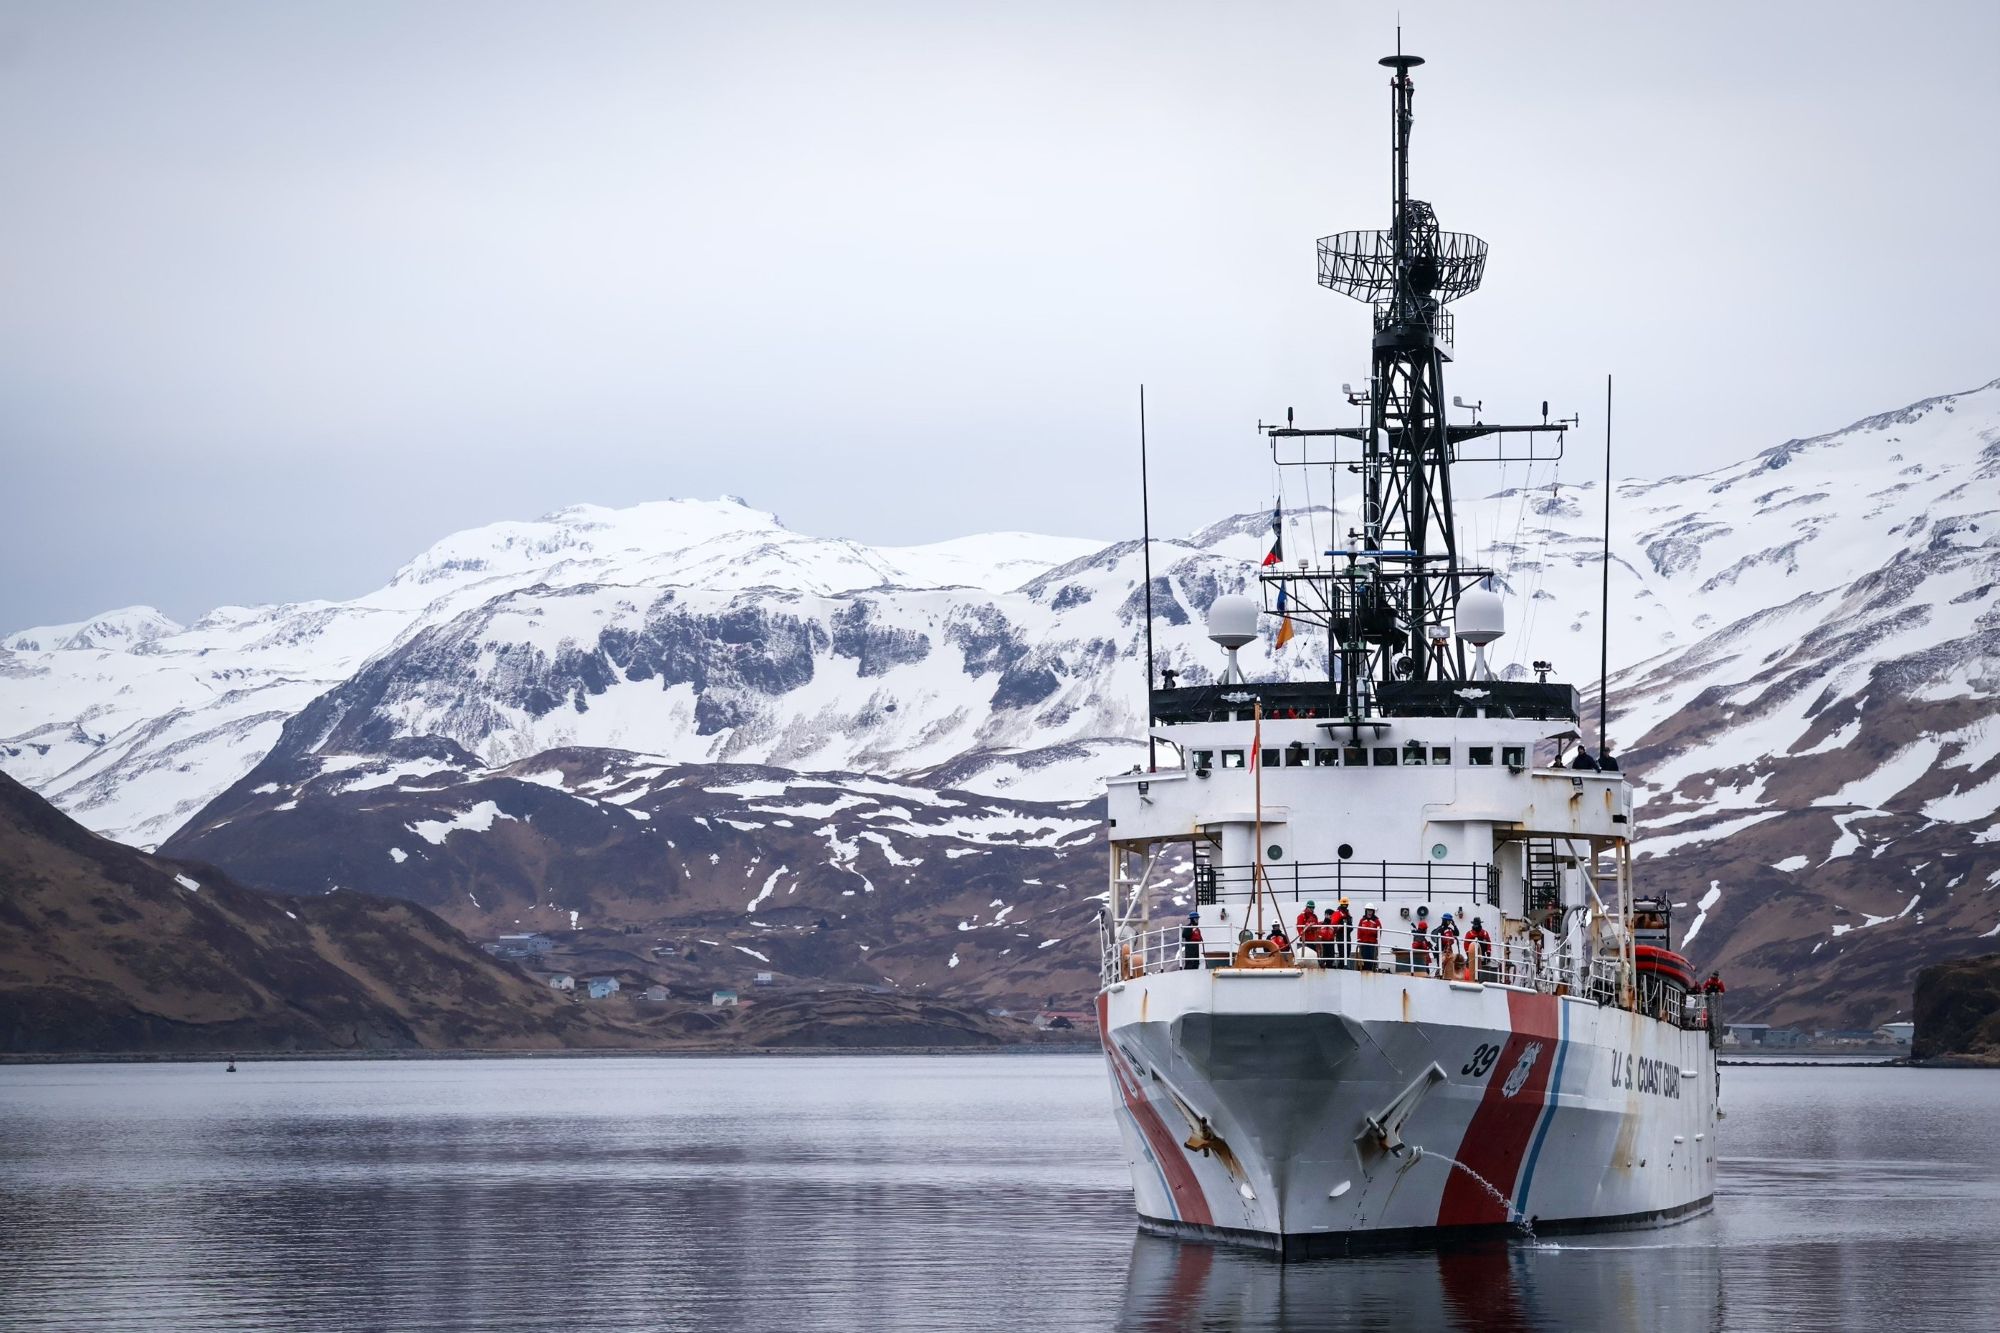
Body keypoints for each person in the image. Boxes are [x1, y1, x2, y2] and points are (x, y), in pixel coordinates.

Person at [1466, 917, 1494, 983]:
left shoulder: (1484, 933)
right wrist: (1468, 954)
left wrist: (1488, 953)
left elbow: (1488, 943)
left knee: (1482, 969)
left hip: (1482, 955)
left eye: (1477, 924)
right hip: (1472, 956)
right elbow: (1466, 944)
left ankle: (1481, 980)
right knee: (1471, 969)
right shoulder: (1469, 934)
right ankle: (1472, 979)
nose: (1476, 926)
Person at [1436, 913, 1461, 979]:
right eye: (1448, 921)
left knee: (1449, 964)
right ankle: (1439, 976)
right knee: (1441, 965)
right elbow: (1439, 940)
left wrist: (1454, 925)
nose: (1449, 922)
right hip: (1442, 950)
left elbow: (1457, 933)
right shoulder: (1440, 929)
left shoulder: (1450, 929)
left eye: (1450, 921)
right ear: (1445, 920)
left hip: (1449, 949)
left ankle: (1448, 976)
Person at [1356, 906, 1382, 971]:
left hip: (1372, 943)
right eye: (1368, 910)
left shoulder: (1376, 921)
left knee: (1372, 957)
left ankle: (1371, 970)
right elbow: (1359, 930)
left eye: (1371, 910)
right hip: (1363, 943)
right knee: (1364, 957)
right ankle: (1364, 970)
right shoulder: (1362, 920)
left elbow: (1379, 930)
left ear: (1373, 911)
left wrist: (1376, 937)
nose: (1369, 912)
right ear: (1366, 911)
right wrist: (1359, 940)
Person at [1330, 897, 1353, 968]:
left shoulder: (1347, 913)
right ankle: (1341, 967)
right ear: (1341, 904)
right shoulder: (1337, 913)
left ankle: (1343, 966)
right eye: (1344, 904)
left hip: (1347, 935)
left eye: (1346, 904)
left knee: (1347, 952)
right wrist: (1340, 927)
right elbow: (1333, 924)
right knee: (1342, 953)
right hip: (1341, 935)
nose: (1345, 906)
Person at [1410, 905, 1433, 976]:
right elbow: (1415, 947)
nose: (1426, 931)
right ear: (1423, 930)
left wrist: (1427, 945)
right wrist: (1424, 945)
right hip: (1421, 962)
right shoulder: (1419, 938)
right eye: (1426, 929)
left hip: (1424, 962)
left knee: (1427, 973)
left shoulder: (1421, 937)